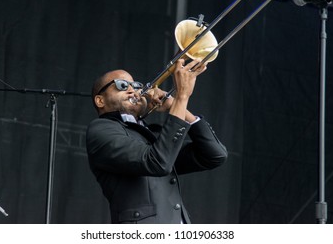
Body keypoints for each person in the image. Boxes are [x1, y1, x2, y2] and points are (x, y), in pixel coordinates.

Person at [86, 58, 228, 224]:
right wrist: (182, 96)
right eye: (122, 85)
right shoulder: (101, 129)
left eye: (137, 86)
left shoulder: (152, 134)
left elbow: (214, 155)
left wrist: (175, 104)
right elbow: (157, 162)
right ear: (100, 100)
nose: (133, 90)